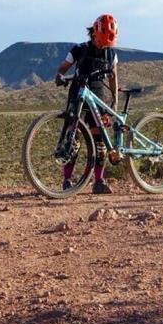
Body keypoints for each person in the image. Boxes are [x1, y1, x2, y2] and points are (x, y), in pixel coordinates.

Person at [54, 13, 119, 194]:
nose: (102, 45)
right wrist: (59, 76)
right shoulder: (79, 49)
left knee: (100, 142)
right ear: (94, 34)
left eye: (106, 42)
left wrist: (115, 102)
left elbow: (114, 78)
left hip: (99, 98)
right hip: (77, 96)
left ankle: (98, 182)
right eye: (100, 41)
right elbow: (62, 68)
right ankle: (67, 181)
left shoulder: (110, 53)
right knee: (73, 140)